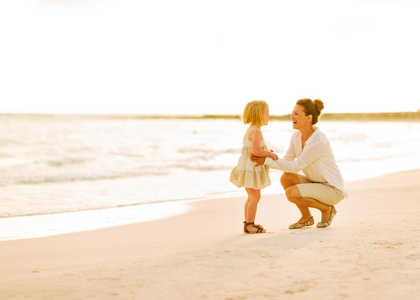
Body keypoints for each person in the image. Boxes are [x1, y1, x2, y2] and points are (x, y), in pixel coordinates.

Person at [251, 98, 347, 229]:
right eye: (292, 113)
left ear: (308, 118)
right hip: (316, 183)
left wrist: (267, 161)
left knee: (292, 193)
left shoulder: (319, 140)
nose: (292, 116)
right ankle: (306, 216)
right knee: (286, 177)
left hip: (332, 189)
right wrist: (267, 154)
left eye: (296, 113)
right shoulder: (296, 136)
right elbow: (287, 161)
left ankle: (326, 209)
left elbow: (297, 166)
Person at [230, 100, 279, 234]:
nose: (269, 115)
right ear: (260, 114)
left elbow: (254, 148)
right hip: (251, 169)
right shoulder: (256, 131)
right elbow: (255, 151)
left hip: (246, 168)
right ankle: (250, 225)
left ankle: (247, 224)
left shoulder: (250, 129)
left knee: (251, 197)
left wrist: (266, 151)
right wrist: (269, 153)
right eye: (267, 113)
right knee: (255, 197)